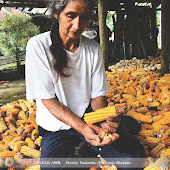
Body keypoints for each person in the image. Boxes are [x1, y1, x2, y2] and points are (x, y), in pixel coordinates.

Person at [25, 0, 145, 169]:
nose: (77, 25)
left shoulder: (93, 49)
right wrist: (82, 129)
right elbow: (49, 101)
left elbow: (97, 97)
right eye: (71, 16)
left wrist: (105, 120)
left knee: (133, 160)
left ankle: (116, 128)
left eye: (84, 17)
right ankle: (84, 148)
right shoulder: (37, 46)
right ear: (56, 14)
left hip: (88, 118)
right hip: (56, 127)